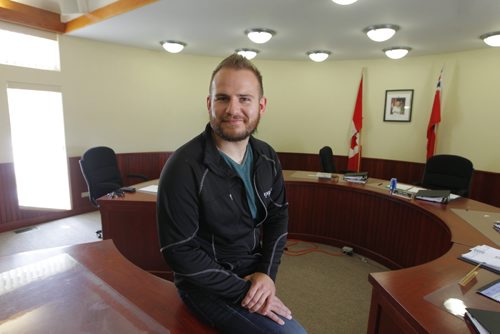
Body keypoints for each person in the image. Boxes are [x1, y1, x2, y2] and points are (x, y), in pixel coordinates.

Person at [156, 54, 307, 334]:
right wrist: (245, 290)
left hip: (252, 272)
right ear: (209, 104)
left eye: (245, 99)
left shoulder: (267, 156)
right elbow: (179, 252)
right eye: (222, 98)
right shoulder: (183, 166)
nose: (232, 109)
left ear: (261, 105)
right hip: (203, 284)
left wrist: (267, 275)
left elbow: (278, 216)